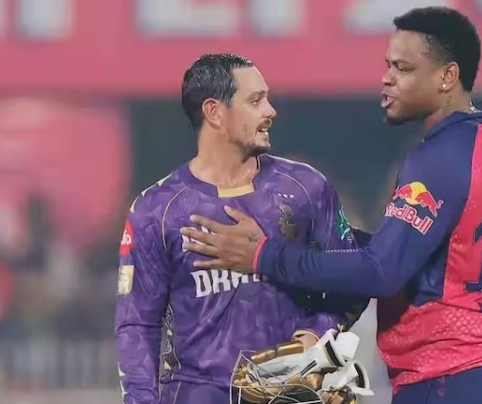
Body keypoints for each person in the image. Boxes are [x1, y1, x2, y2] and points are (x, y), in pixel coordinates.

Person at [180, 7, 482, 404]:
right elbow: (416, 255)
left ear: (447, 76)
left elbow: (381, 272)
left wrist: (263, 255)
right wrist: (306, 238)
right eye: (388, 65)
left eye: (404, 68)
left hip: (451, 376)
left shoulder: (436, 160)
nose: (388, 79)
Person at [114, 53, 368, 404]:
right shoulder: (156, 210)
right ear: (215, 112)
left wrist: (317, 334)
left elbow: (355, 277)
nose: (270, 111)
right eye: (255, 100)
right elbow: (137, 326)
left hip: (293, 396)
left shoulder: (306, 189)